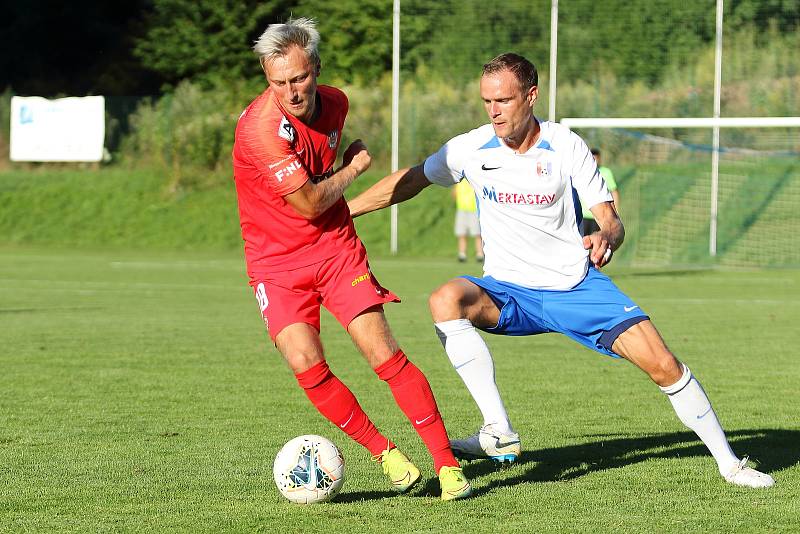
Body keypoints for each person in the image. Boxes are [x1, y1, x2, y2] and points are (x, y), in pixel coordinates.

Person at [348, 52, 774, 488]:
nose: (494, 111)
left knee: (665, 365)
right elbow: (412, 179)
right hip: (509, 292)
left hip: (574, 287)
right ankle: (499, 431)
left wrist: (607, 236)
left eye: (504, 100)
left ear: (531, 96)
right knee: (445, 299)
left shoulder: (565, 145)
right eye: (486, 101)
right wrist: (343, 211)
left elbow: (610, 218)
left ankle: (730, 463)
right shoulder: (469, 148)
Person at [231, 17, 471, 501]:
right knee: (304, 361)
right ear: (266, 77)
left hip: (335, 249)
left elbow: (322, 202)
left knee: (382, 352)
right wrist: (356, 168)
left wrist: (339, 180)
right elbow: (311, 202)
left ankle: (447, 465)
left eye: (299, 78)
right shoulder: (261, 131)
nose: (291, 92)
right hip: (275, 264)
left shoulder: (336, 102)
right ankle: (386, 454)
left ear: (316, 68)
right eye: (278, 82)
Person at [581, 148, 620, 236]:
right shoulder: (582, 172)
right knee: (581, 244)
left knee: (598, 243)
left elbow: (614, 191)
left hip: (599, 215)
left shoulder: (606, 172)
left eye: (596, 158)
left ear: (599, 159)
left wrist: (615, 211)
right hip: (583, 215)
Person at [452, 178, 484, 262]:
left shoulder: (474, 178)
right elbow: (454, 194)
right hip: (462, 209)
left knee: (477, 233)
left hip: (474, 209)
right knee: (461, 233)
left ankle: (480, 254)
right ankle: (462, 254)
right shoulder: (459, 180)